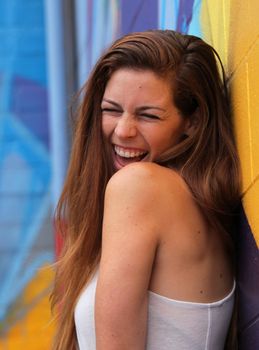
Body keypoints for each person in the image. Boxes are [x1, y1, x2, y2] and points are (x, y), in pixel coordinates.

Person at [51, 30, 241, 350]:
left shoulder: (140, 186)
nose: (123, 130)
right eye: (111, 110)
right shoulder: (193, 201)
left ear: (192, 123)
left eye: (148, 115)